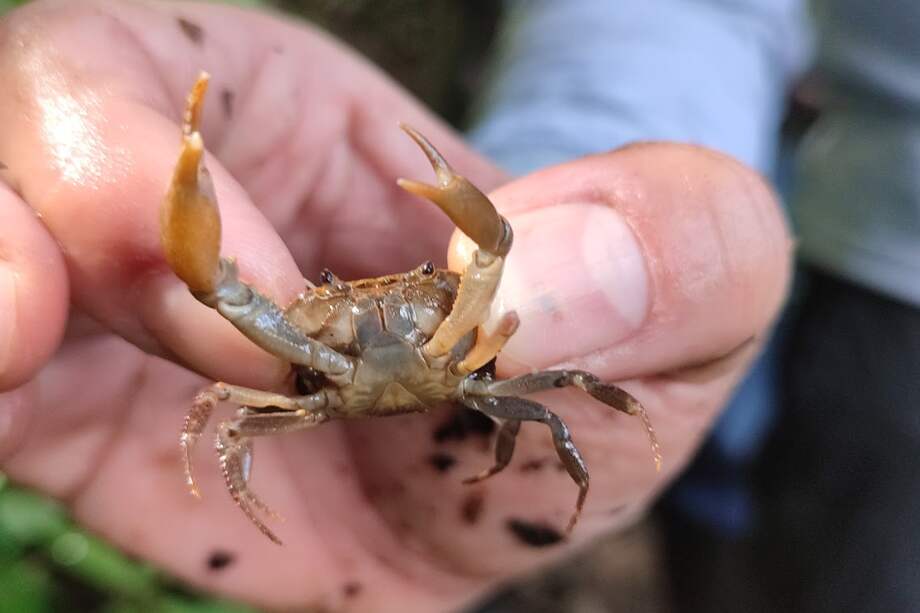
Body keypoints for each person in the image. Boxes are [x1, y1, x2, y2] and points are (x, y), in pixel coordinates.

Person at [0, 1, 790, 612]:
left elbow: (513, 296)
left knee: (554, 401)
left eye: (405, 299)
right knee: (226, 403)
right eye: (341, 302)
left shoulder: (476, 338)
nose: (380, 320)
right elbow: (220, 354)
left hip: (463, 441)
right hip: (302, 408)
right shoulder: (278, 367)